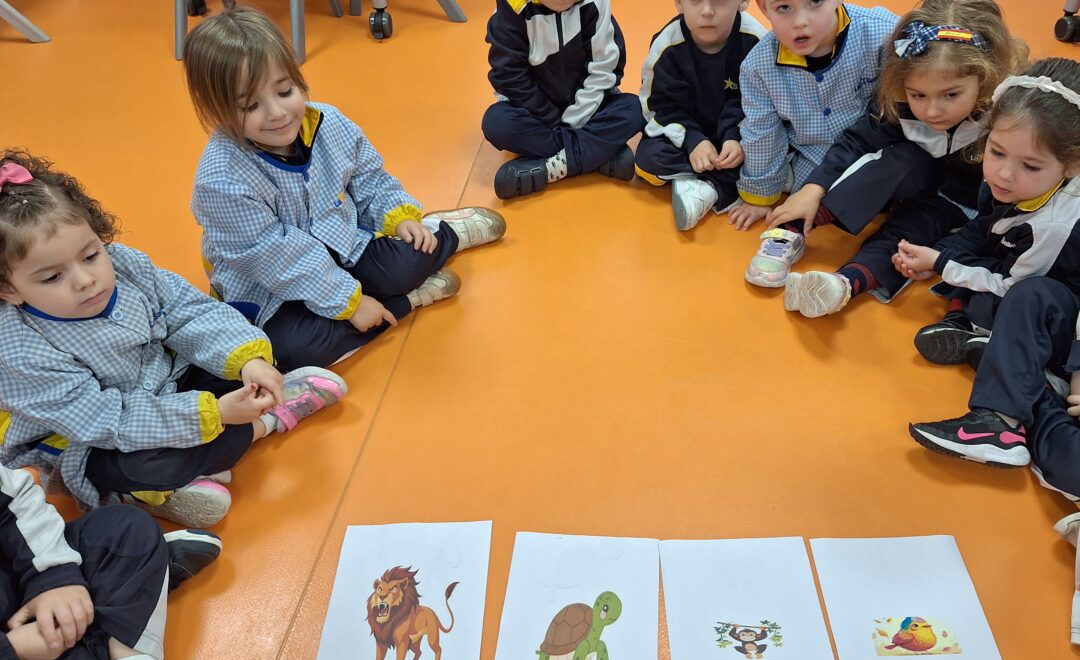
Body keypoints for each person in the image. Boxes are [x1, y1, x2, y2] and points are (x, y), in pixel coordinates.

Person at [0, 150, 347, 529]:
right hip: (92, 441)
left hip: (166, 382)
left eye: (90, 255)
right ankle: (260, 425)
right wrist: (213, 414)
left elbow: (188, 311)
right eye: (52, 277)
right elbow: (107, 419)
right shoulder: (19, 351)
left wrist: (248, 360)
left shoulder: (125, 265)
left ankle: (210, 453)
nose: (85, 280)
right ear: (8, 289)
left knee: (241, 360)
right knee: (146, 464)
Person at [185, 2, 506, 372]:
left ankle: (444, 232)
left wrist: (397, 215)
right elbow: (279, 261)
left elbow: (368, 178)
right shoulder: (221, 181)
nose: (277, 113)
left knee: (408, 260)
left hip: (342, 241)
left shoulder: (329, 123)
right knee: (290, 353)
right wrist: (349, 303)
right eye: (250, 106)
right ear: (218, 111)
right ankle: (405, 302)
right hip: (269, 285)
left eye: (285, 91)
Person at [776, 0, 1026, 317]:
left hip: (962, 207)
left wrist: (944, 255)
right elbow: (858, 140)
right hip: (913, 177)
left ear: (984, 78)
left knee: (909, 241)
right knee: (897, 161)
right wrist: (813, 189)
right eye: (918, 95)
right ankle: (794, 226)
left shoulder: (1006, 118)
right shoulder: (899, 102)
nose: (932, 110)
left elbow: (1010, 205)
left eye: (951, 94)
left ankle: (841, 285)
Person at [902, 58, 1080, 472]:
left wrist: (943, 264)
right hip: (1036, 284)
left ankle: (999, 424)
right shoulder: (1014, 183)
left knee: (1018, 294)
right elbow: (985, 228)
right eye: (996, 152)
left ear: (1073, 165)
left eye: (1029, 166)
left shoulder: (1058, 226)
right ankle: (988, 339)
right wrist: (941, 255)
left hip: (1059, 318)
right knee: (967, 256)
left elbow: (1015, 289)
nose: (1004, 173)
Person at [728, 0, 897, 287]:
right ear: (764, 8)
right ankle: (792, 225)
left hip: (880, 152)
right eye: (784, 7)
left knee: (899, 167)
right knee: (788, 181)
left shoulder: (882, 34)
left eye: (814, 2)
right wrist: (759, 196)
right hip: (813, 159)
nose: (800, 21)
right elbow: (762, 132)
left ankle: (803, 224)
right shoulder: (758, 66)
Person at [0, 461, 221, 660]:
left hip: (30, 571)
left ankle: (138, 598)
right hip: (20, 652)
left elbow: (16, 501)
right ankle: (141, 597)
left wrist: (53, 576)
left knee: (129, 529)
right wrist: (13, 652)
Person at [483, 0, 645, 200]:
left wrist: (576, 117)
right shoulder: (510, 11)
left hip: (589, 107)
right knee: (497, 123)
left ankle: (552, 167)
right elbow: (510, 78)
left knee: (635, 109)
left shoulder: (595, 4)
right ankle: (595, 154)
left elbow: (605, 69)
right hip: (537, 114)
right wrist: (551, 118)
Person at [635, 0, 766, 231]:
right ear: (679, 3)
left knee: (777, 149)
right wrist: (693, 140)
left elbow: (764, 104)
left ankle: (704, 188)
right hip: (687, 134)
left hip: (742, 136)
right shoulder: (667, 45)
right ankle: (725, 183)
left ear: (743, 2)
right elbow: (658, 107)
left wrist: (735, 138)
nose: (707, 11)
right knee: (647, 161)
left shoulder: (757, 41)